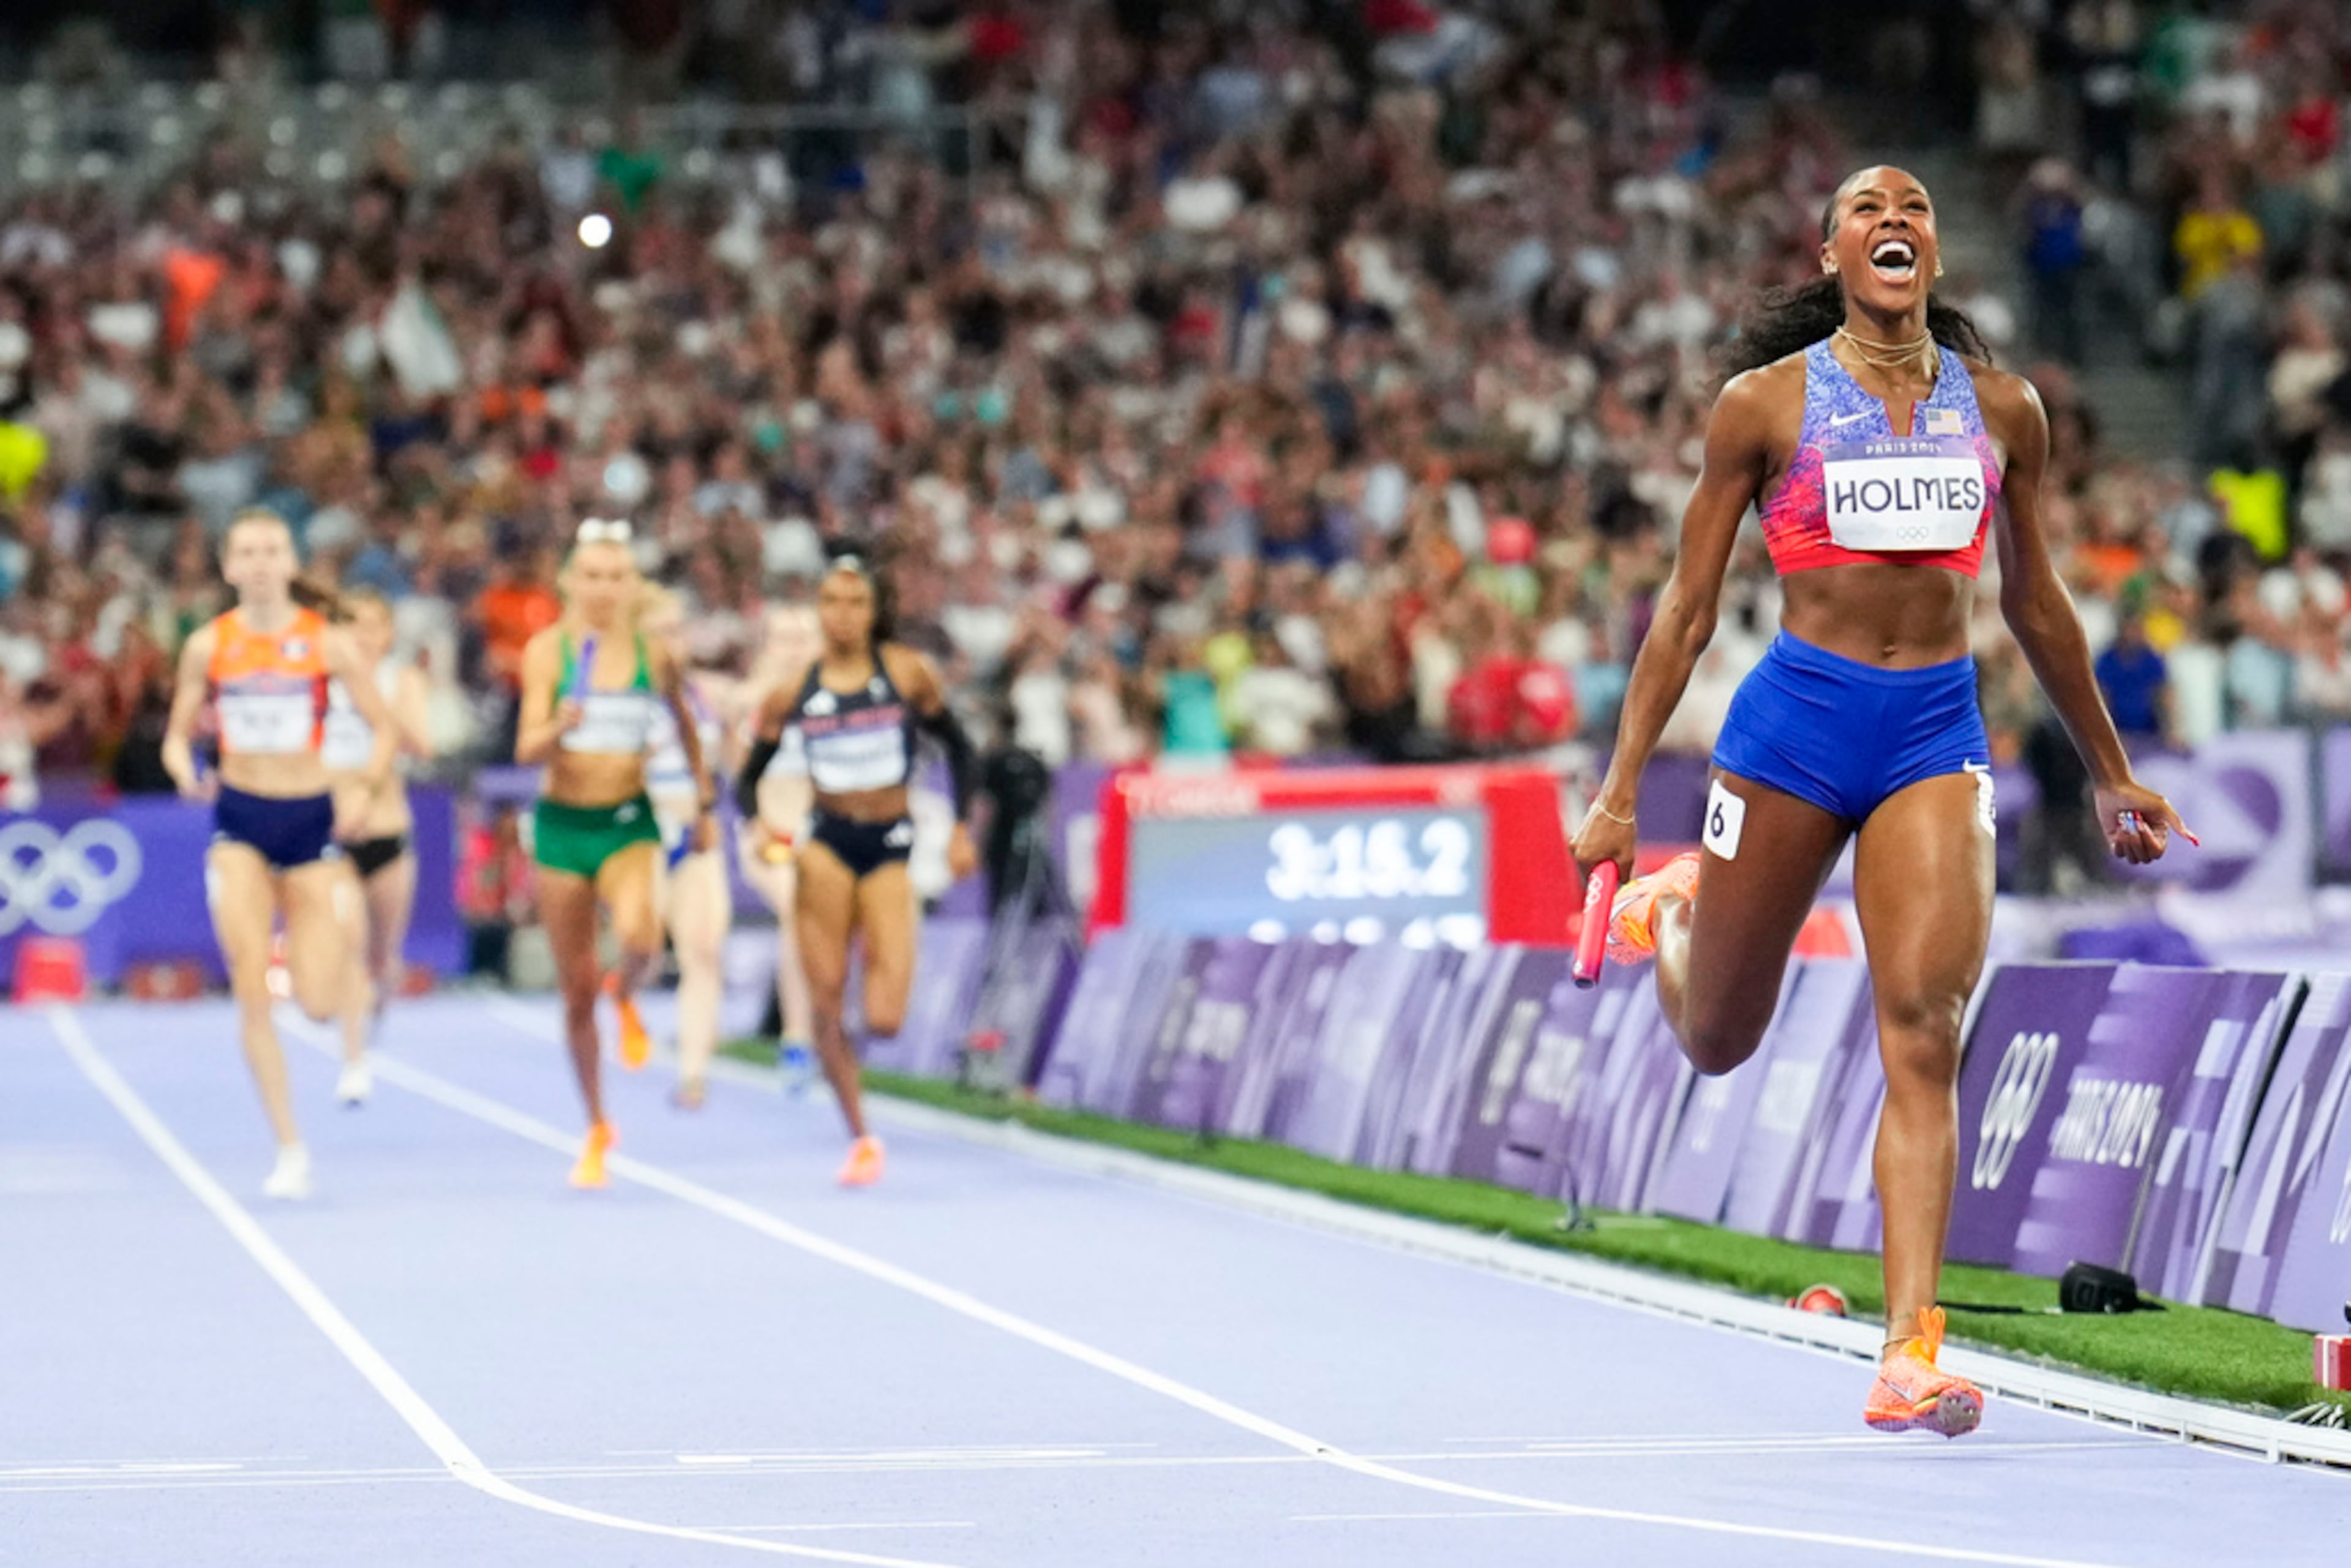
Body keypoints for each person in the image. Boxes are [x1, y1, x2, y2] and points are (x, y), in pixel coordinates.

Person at [1572, 168, 2191, 1439]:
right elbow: (1686, 612)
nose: (1895, 217)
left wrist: (2110, 765)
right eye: (1868, 207)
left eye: (1914, 205)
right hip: (1792, 731)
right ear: (1832, 250)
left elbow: (2034, 602)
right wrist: (1621, 789)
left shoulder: (2005, 410)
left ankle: (1908, 1348)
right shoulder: (1767, 404)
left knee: (1923, 1023)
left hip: (1932, 735)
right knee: (1718, 1038)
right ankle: (1679, 913)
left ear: (1936, 253)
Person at [162, 508, 400, 1199]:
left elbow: (382, 732)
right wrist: (184, 769)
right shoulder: (209, 646)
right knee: (247, 985)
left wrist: (365, 792)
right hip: (239, 819)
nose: (261, 563)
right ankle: (289, 1146)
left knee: (321, 1001)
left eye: (273, 550)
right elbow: (177, 735)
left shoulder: (327, 643)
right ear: (230, 567)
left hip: (311, 821)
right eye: (248, 552)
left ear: (291, 564)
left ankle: (309, 967)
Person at [738, 555, 980, 1187]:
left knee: (884, 1016)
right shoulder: (794, 691)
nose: (842, 616)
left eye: (855, 603)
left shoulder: (905, 672)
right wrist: (761, 823)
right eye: (831, 601)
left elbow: (959, 745)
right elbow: (749, 777)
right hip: (826, 841)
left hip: (891, 839)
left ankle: (855, 1054)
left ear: (875, 611)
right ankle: (860, 1131)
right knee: (824, 997)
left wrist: (958, 828)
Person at [514, 520, 714, 1188]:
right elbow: (524, 749)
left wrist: (705, 800)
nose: (603, 588)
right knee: (573, 992)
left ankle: (625, 987)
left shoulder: (654, 654)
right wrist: (557, 728)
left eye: (616, 576)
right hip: (564, 827)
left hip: (629, 820)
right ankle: (598, 1124)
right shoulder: (549, 651)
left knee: (639, 934)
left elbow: (687, 726)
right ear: (572, 581)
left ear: (632, 584)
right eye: (592, 576)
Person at [320, 585, 434, 1099]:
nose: (363, 637)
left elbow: (423, 745)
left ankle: (381, 992)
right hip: (336, 833)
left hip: (388, 834)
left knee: (381, 956)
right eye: (353, 626)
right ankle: (354, 1061)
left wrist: (382, 709)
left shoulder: (400, 680)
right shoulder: (321, 685)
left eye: (373, 627)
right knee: (348, 943)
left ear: (388, 634)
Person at [636, 585, 735, 1110]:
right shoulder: (622, 695)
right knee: (645, 948)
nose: (673, 642)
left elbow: (745, 730)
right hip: (642, 831)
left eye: (678, 630)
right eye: (660, 632)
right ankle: (624, 992)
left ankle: (693, 1071)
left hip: (695, 833)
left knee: (704, 949)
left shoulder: (708, 693)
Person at [737, 603, 820, 1093]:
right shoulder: (752, 698)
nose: (794, 648)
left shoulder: (832, 694)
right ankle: (796, 1038)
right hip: (769, 836)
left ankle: (820, 1026)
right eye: (784, 638)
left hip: (821, 834)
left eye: (803, 637)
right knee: (797, 907)